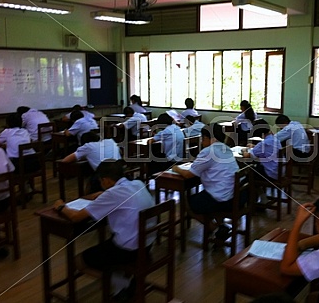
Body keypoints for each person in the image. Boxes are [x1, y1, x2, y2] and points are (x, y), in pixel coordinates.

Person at [53, 160, 155, 299]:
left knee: (78, 261)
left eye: (101, 181)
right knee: (108, 245)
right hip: (148, 243)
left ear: (106, 180)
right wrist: (102, 195)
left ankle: (124, 284)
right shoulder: (138, 183)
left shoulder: (113, 194)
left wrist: (60, 206)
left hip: (129, 249)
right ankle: (123, 286)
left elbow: (76, 217)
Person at [172, 124, 239, 241]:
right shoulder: (225, 148)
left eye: (203, 138)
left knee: (188, 204)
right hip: (234, 194)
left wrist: (176, 168)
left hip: (221, 197)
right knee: (203, 197)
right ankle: (220, 225)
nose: (202, 141)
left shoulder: (208, 151)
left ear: (208, 138)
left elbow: (188, 174)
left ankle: (215, 228)